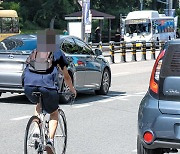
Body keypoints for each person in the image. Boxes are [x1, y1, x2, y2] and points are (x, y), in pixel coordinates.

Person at [23, 29, 76, 154]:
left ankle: (36, 129)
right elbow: (66, 76)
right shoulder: (57, 53)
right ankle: (50, 141)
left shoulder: (34, 52)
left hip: (29, 86)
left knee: (38, 105)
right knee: (54, 112)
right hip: (47, 87)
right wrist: (72, 90)